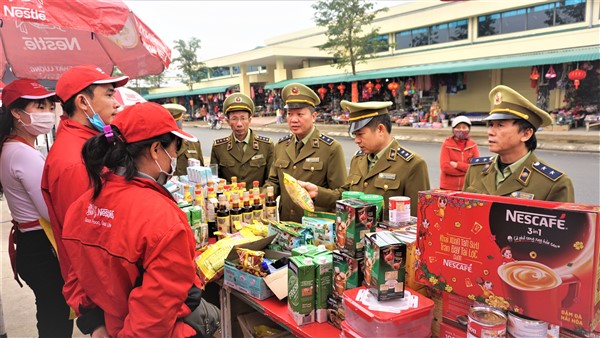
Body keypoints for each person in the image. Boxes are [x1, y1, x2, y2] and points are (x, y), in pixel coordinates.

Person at [61, 102, 218, 337]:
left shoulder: (83, 204)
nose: (174, 157)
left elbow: (75, 274)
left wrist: (96, 326)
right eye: (175, 148)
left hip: (110, 325)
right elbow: (157, 309)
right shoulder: (162, 218)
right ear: (156, 150)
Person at [41, 65, 128, 293]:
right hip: (104, 286)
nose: (116, 103)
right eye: (109, 94)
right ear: (82, 102)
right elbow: (87, 242)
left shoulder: (91, 143)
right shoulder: (74, 162)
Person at [0, 79, 73, 337]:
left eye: (48, 106)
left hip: (31, 243)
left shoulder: (15, 148)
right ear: (16, 113)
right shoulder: (22, 153)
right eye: (38, 106)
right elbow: (49, 209)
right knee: (57, 316)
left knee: (50, 310)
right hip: (41, 245)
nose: (46, 113)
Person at [300, 100, 430, 219]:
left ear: (380, 129)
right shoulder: (358, 159)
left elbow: (419, 218)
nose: (356, 140)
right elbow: (346, 195)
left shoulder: (412, 165)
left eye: (360, 134)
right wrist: (317, 192)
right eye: (354, 135)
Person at [463, 85, 574, 202]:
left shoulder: (553, 184)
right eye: (491, 125)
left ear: (526, 134)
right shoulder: (476, 170)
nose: (490, 132)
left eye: (500, 125)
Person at [264, 83, 347, 222]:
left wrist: (318, 193)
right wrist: (260, 195)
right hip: (286, 225)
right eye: (289, 114)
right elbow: (274, 181)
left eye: (300, 114)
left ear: (314, 116)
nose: (294, 119)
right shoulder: (281, 146)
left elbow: (342, 194)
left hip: (316, 227)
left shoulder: (331, 148)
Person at [210, 93, 274, 186]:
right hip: (230, 198)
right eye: (234, 119)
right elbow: (215, 179)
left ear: (250, 120)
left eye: (243, 118)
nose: (239, 124)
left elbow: (272, 180)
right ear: (228, 121)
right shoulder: (219, 147)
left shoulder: (266, 145)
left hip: (258, 198)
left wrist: (258, 195)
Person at [439, 115, 480, 190]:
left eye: (464, 127)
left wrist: (458, 165)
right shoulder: (446, 145)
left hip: (467, 187)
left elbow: (475, 168)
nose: (461, 130)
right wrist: (466, 171)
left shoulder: (473, 146)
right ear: (453, 129)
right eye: (458, 127)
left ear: (469, 129)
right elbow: (445, 167)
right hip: (447, 187)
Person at [163, 103, 205, 175]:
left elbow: (201, 172)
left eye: (177, 124)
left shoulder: (193, 143)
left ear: (182, 121)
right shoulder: (155, 146)